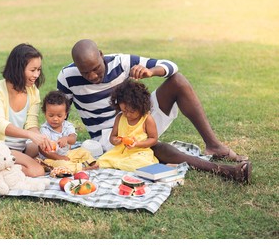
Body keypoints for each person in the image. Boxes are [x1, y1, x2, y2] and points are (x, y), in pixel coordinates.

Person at [57, 39, 251, 183]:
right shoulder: (67, 77)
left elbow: (171, 66)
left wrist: (151, 71)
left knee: (178, 80)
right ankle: (225, 170)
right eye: (85, 72)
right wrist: (58, 141)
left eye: (96, 68)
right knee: (156, 148)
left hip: (138, 118)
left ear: (101, 54)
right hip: (110, 138)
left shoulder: (121, 62)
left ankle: (214, 146)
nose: (92, 76)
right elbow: (61, 113)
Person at [0, 43, 52, 177]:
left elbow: (31, 123)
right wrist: (30, 135)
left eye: (39, 69)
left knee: (47, 146)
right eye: (33, 70)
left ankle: (7, 167)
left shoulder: (33, 91)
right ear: (18, 68)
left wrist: (39, 137)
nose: (36, 74)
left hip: (19, 148)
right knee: (37, 171)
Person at [98, 79, 159, 171]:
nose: (128, 115)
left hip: (139, 152)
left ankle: (121, 165)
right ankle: (120, 164)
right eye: (124, 111)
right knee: (101, 160)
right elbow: (112, 137)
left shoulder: (147, 119)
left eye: (132, 111)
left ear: (141, 106)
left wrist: (137, 144)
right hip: (120, 152)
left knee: (140, 163)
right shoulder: (120, 118)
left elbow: (153, 139)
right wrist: (115, 140)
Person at [38, 90, 99, 174]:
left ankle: (92, 163)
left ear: (65, 115)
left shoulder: (67, 126)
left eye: (59, 116)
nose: (55, 119)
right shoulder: (45, 129)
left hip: (67, 154)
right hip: (51, 159)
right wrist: (59, 157)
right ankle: (80, 168)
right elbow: (42, 150)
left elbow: (73, 139)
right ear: (45, 114)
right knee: (63, 164)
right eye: (51, 115)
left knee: (83, 151)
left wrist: (66, 138)